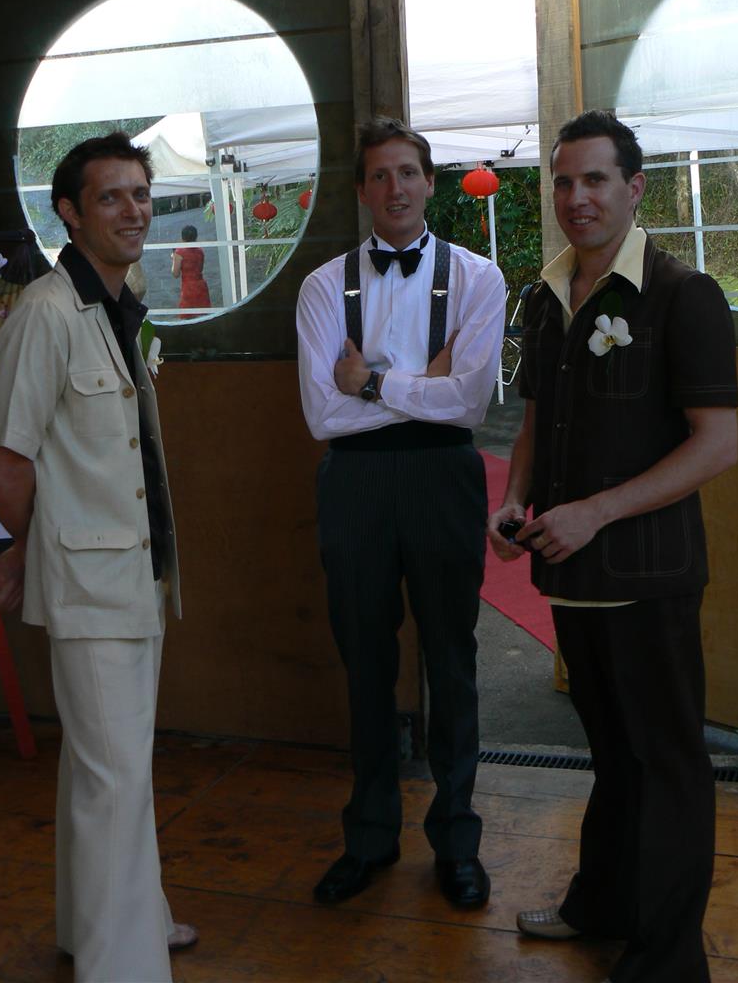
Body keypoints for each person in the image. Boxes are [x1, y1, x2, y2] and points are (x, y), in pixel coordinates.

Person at [488, 111, 738, 983]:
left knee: (667, 766)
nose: (577, 197)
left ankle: (668, 961)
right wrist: (515, 500)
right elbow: (534, 420)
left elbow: (717, 445)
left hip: (650, 579)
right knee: (612, 756)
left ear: (634, 189)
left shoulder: (683, 295)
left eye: (595, 179)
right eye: (563, 181)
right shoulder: (545, 296)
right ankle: (602, 905)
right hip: (573, 578)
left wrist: (595, 511)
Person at [0, 132, 197, 983]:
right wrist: (28, 548)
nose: (133, 210)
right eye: (111, 196)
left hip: (136, 574)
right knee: (115, 779)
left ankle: (96, 926)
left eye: (140, 193)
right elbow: (7, 461)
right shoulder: (45, 312)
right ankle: (120, 966)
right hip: (91, 580)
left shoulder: (117, 299)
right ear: (69, 212)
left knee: (105, 769)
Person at [296, 117, 506, 909]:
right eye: (380, 175)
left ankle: (457, 842)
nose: (396, 188)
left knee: (452, 659)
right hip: (353, 482)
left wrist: (374, 384)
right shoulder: (323, 288)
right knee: (365, 661)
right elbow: (323, 414)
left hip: (445, 477)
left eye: (408, 172)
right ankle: (369, 837)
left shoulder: (478, 279)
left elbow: (471, 403)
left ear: (430, 182)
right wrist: (427, 385)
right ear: (362, 191)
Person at [171, 223, 211, 317]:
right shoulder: (200, 251)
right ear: (196, 237)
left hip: (188, 288)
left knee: (188, 317)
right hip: (201, 286)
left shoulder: (179, 252)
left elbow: (175, 274)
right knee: (203, 317)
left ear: (182, 238)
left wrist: (174, 259)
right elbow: (200, 268)